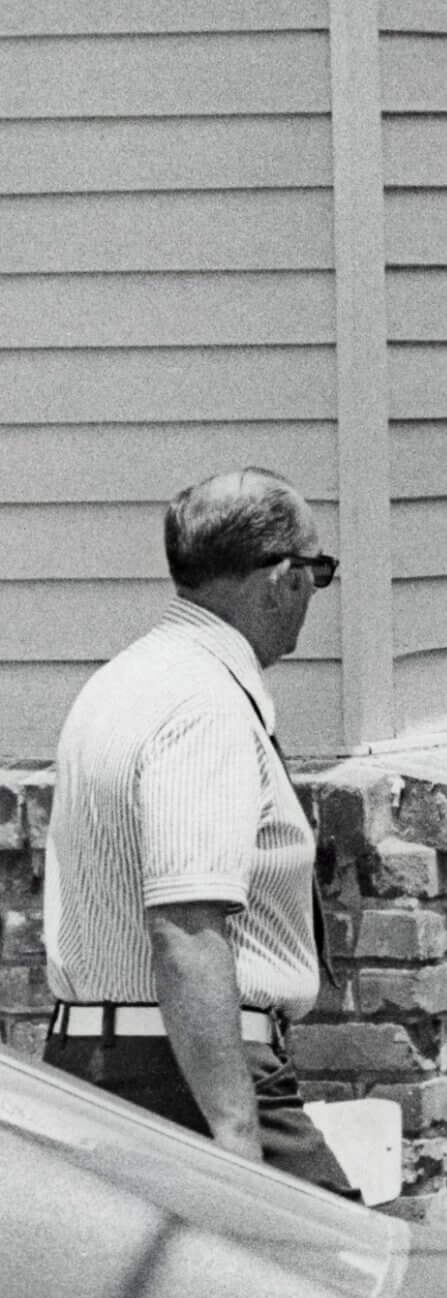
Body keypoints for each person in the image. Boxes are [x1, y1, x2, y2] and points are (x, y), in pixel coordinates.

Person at [43, 469, 353, 1194]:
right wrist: (236, 1139)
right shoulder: (205, 706)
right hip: (190, 1077)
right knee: (358, 1286)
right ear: (280, 578)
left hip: (101, 1067)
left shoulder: (121, 680)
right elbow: (184, 925)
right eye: (319, 572)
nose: (315, 593)